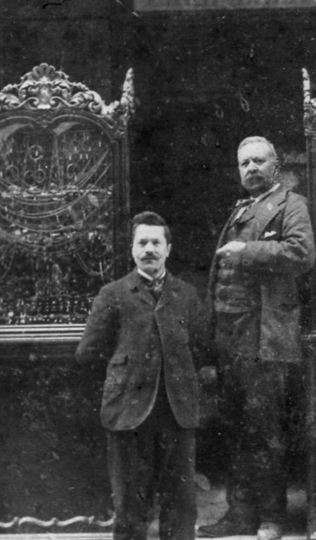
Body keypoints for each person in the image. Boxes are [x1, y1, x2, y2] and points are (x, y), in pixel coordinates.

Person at [198, 136, 315, 540]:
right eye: (244, 162)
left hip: (264, 338)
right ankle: (239, 515)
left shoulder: (291, 205)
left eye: (259, 161)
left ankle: (271, 517)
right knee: (235, 429)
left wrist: (245, 250)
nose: (252, 168)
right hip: (233, 339)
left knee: (264, 431)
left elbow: (301, 254)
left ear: (276, 165)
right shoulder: (239, 209)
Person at [77, 211, 213, 540]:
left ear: (168, 249)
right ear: (132, 250)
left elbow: (203, 349)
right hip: (128, 411)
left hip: (176, 411)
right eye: (142, 242)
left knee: (180, 504)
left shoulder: (186, 295)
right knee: (130, 504)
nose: (149, 249)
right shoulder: (113, 294)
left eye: (156, 242)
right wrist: (121, 380)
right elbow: (88, 353)